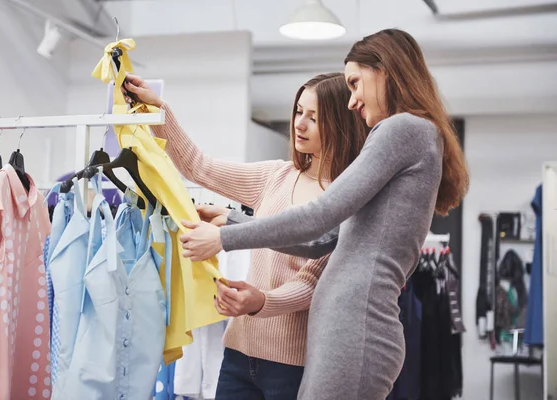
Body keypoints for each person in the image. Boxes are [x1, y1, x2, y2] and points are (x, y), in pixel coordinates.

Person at [176, 28, 470, 400]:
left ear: (385, 71)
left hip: (355, 325)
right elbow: (323, 241)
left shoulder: (402, 129)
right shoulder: (413, 134)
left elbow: (322, 214)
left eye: (354, 83)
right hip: (346, 326)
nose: (351, 101)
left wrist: (223, 240)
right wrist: (232, 221)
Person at [122, 72, 367, 399]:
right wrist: (158, 108)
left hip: (294, 364)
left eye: (314, 118)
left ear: (340, 124)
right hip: (238, 354)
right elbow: (199, 166)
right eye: (298, 112)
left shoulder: (344, 197)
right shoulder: (276, 176)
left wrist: (261, 301)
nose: (299, 124)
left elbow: (313, 283)